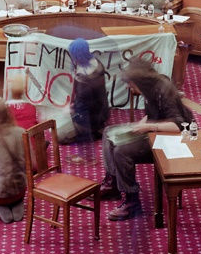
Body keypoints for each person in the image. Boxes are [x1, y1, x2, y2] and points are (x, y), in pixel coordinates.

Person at [99, 57, 194, 220]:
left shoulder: (163, 89)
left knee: (122, 152)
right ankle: (112, 183)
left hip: (176, 138)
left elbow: (178, 125)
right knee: (109, 132)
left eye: (131, 83)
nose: (129, 87)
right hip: (157, 131)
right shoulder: (150, 89)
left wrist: (149, 126)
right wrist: (141, 124)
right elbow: (154, 114)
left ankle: (132, 201)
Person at [66, 38, 110, 144]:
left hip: (89, 117)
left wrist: (73, 110)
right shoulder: (96, 62)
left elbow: (83, 103)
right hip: (101, 111)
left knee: (61, 136)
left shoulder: (84, 76)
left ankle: (91, 133)